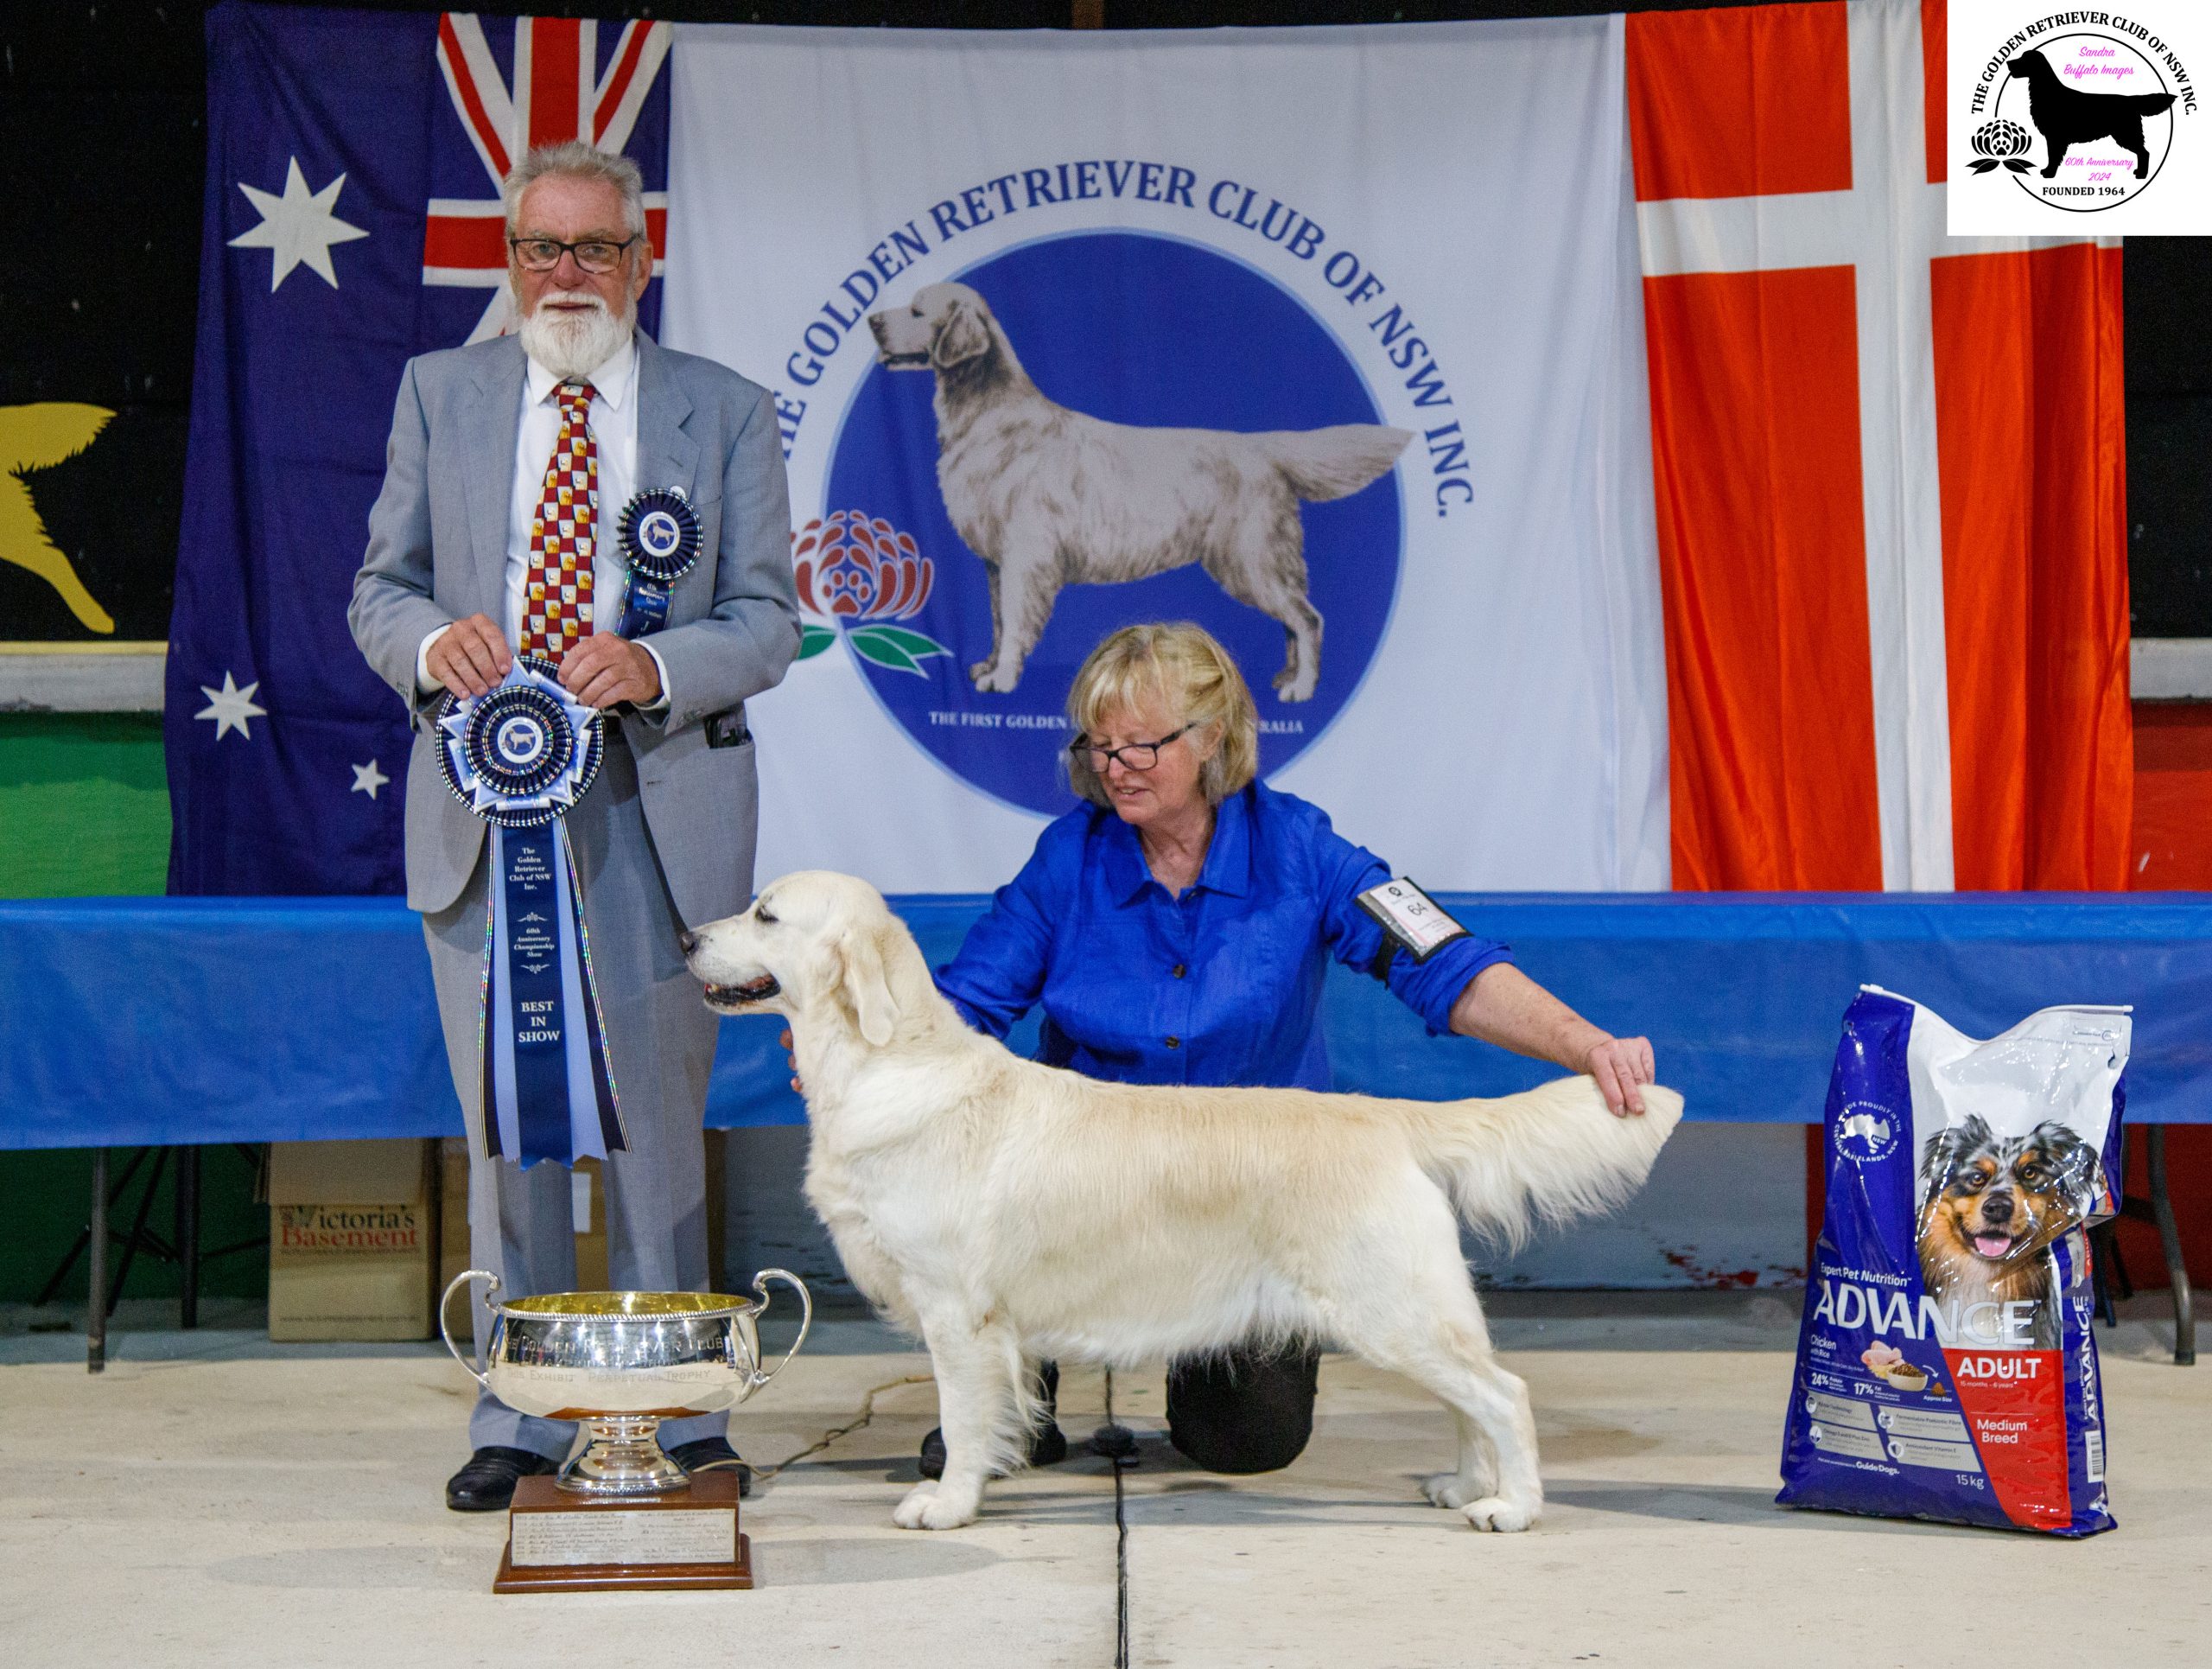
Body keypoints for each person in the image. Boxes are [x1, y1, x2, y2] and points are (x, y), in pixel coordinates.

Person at [920, 621, 1656, 1477]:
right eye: (1099, 743)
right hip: (1081, 1196)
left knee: (1246, 1442)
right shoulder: (1067, 857)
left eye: (1142, 744)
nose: (1113, 765)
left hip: (1256, 1198)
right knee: (997, 1412)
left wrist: (1583, 1043)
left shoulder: (1302, 847)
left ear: (1209, 739)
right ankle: (1015, 1394)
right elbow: (966, 1001)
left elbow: (1441, 960)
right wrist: (857, 1043)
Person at [348, 141, 798, 1511]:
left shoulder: (723, 409)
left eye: (595, 248)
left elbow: (769, 617)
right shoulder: (441, 392)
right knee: (513, 1121)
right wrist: (438, 647)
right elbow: (379, 591)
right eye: (542, 248)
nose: (567, 274)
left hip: (662, 802)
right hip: (487, 807)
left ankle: (675, 1388)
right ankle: (527, 1405)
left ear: (640, 259)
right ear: (510, 257)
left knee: (661, 1115)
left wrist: (653, 665)